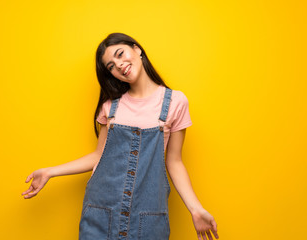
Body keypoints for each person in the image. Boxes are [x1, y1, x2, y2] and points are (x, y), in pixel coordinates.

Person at [22, 32, 219, 240]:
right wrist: (50, 172)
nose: (119, 65)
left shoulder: (175, 102)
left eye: (120, 54)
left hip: (148, 219)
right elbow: (99, 155)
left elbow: (174, 162)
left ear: (137, 49)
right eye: (111, 66)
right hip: (100, 214)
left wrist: (196, 209)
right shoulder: (110, 106)